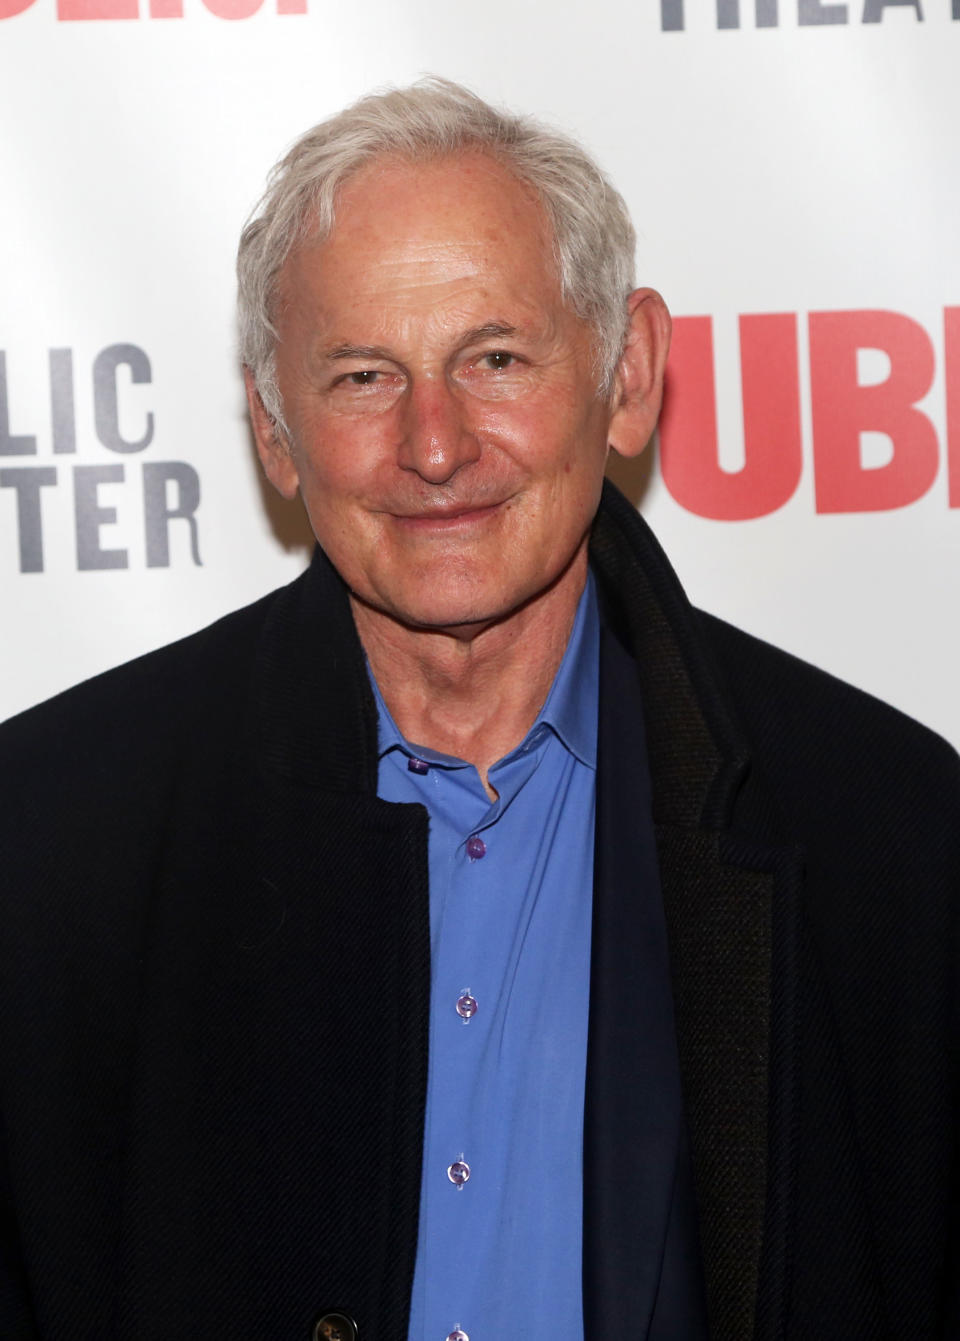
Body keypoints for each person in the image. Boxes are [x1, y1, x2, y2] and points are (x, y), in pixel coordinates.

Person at [0, 78, 957, 1341]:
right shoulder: (54, 836)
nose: (436, 445)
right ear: (276, 431)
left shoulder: (883, 831)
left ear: (627, 373)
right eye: (360, 377)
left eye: (494, 358)